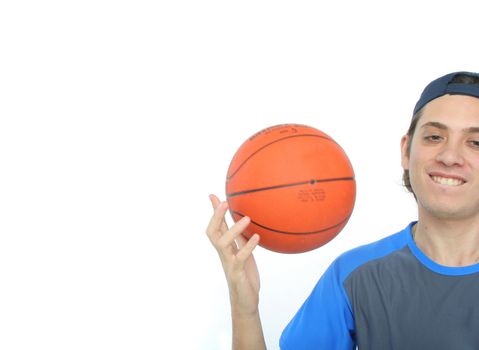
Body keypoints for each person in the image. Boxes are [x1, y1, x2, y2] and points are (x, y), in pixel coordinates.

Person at [206, 71, 479, 349]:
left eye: (476, 143)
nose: (449, 157)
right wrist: (245, 308)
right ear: (406, 151)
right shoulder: (354, 276)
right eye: (434, 137)